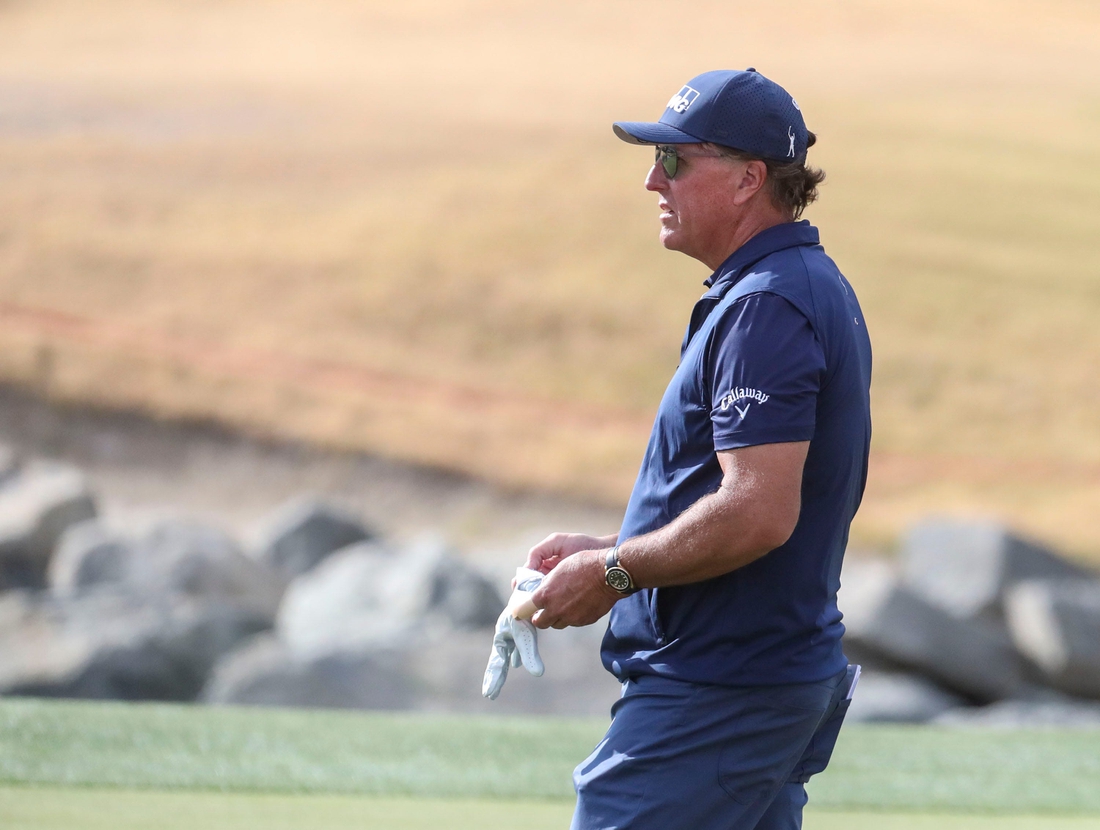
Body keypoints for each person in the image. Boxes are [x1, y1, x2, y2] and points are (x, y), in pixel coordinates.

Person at [524, 69, 873, 829]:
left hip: (722, 686)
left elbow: (758, 513)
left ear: (751, 179)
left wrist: (615, 572)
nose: (654, 180)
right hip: (756, 678)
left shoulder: (769, 306)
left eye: (678, 161)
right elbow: (745, 500)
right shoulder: (788, 287)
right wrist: (614, 546)